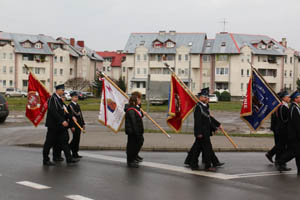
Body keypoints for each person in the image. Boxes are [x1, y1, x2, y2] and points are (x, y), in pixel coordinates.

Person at [185, 88, 223, 172]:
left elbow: (209, 119)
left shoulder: (205, 106)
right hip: (202, 132)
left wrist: (216, 126)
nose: (207, 99)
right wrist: (198, 133)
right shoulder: (198, 107)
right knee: (207, 149)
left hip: (205, 131)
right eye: (205, 97)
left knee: (197, 149)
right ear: (201, 98)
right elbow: (198, 121)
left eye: (207, 97)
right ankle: (207, 166)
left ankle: (192, 163)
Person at [43, 84, 79, 166]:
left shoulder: (59, 100)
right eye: (62, 90)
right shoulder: (52, 99)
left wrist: (72, 116)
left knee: (64, 142)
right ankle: (46, 159)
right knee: (49, 143)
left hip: (60, 126)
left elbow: (65, 111)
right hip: (53, 126)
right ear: (58, 90)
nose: (63, 92)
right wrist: (62, 120)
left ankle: (69, 159)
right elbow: (53, 112)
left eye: (63, 90)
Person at [277, 90, 300, 175]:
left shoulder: (295, 107)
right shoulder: (294, 108)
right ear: (295, 99)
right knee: (294, 152)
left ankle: (281, 161)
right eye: (299, 97)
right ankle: (280, 161)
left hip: (294, 135)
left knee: (296, 153)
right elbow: (297, 123)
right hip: (294, 135)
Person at [265, 91, 290, 168]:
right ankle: (279, 161)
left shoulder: (279, 105)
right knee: (281, 145)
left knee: (279, 145)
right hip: (279, 129)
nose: (289, 98)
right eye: (287, 96)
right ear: (283, 98)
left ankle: (274, 157)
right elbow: (283, 119)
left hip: (277, 129)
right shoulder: (281, 106)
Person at [124, 91, 144, 168]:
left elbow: (139, 117)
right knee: (132, 146)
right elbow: (134, 123)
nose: (140, 101)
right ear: (134, 101)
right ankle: (130, 161)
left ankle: (133, 157)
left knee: (137, 144)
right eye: (138, 100)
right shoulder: (131, 110)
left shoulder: (135, 108)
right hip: (133, 132)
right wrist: (137, 133)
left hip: (136, 132)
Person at [68, 91, 85, 158]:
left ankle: (75, 152)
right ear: (71, 98)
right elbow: (70, 117)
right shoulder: (70, 106)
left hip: (79, 124)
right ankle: (70, 149)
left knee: (77, 139)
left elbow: (80, 115)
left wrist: (83, 124)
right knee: (75, 139)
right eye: (75, 97)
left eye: (77, 97)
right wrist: (71, 126)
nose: (76, 98)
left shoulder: (77, 105)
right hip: (74, 125)